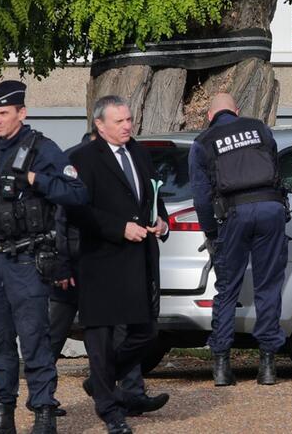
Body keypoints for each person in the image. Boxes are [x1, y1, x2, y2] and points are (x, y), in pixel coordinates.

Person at [0, 80, 87, 434]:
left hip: (28, 260)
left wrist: (35, 179)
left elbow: (77, 193)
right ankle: (2, 413)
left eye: (3, 113)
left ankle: (43, 412)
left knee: (34, 339)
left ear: (21, 113)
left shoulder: (43, 150)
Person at [66, 96, 169, 434]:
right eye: (120, 121)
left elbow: (153, 194)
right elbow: (79, 210)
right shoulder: (83, 159)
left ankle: (102, 381)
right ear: (100, 124)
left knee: (146, 332)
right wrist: (119, 227)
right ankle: (111, 412)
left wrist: (162, 222)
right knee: (101, 340)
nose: (128, 125)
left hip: (137, 261)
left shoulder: (137, 151)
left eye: (129, 119)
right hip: (100, 261)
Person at [188, 93, 288, 386]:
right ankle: (268, 366)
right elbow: (275, 167)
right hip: (271, 210)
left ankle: (220, 365)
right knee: (268, 286)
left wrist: (211, 234)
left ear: (209, 117)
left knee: (227, 287)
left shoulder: (203, 143)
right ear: (237, 111)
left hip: (234, 214)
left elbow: (201, 197)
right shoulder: (259, 128)